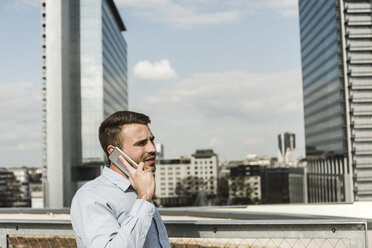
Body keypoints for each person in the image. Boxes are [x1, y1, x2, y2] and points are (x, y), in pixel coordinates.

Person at [70, 111, 171, 248]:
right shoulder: (90, 197)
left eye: (151, 140)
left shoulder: (139, 188)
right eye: (141, 143)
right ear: (114, 152)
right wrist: (144, 198)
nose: (152, 148)